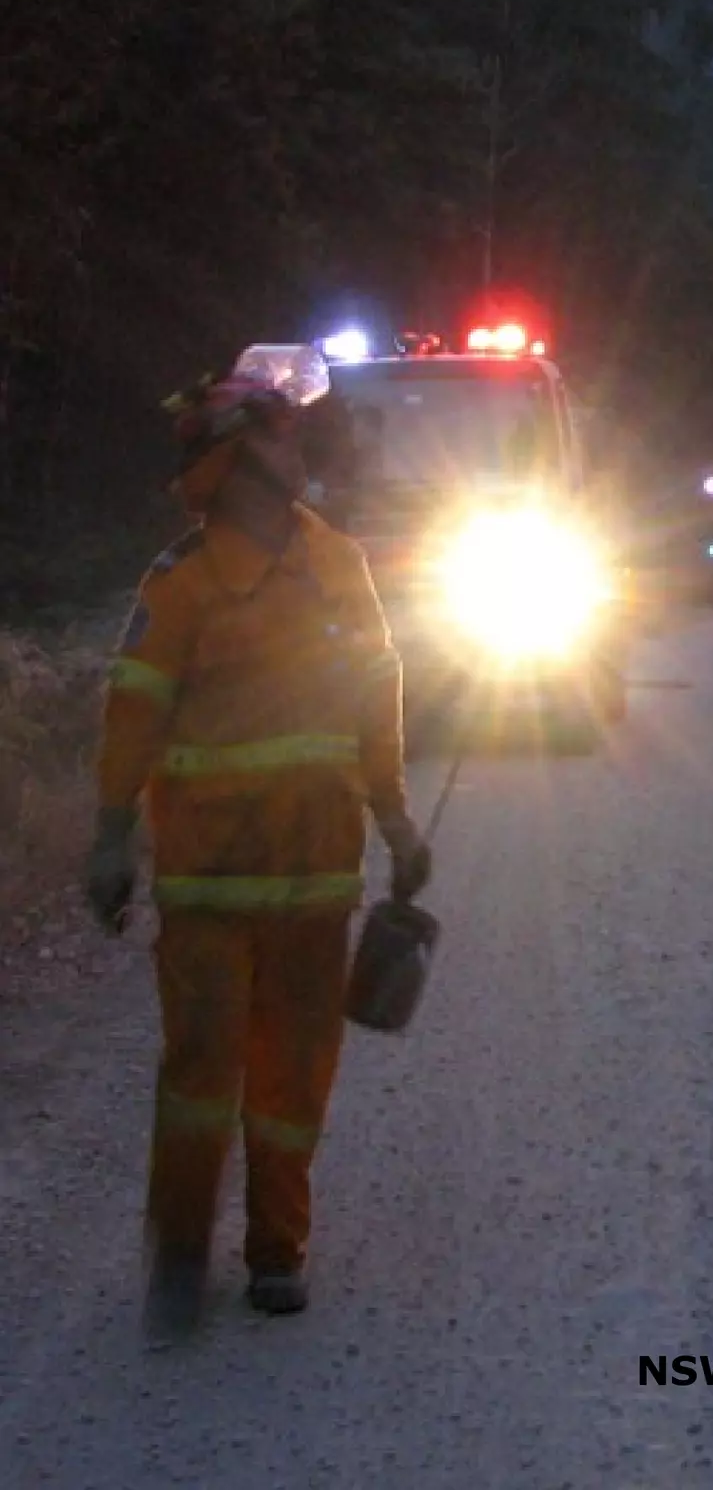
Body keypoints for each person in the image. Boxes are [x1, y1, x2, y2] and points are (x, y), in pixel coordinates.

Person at [84, 367, 433, 1339]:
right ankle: (181, 1256)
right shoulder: (183, 582)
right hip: (205, 884)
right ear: (237, 461)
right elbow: (132, 713)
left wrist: (397, 822)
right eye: (277, 434)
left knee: (294, 1077)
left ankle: (277, 1251)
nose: (295, 446)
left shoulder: (340, 563)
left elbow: (375, 696)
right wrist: (110, 834)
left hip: (315, 881)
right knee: (201, 1073)